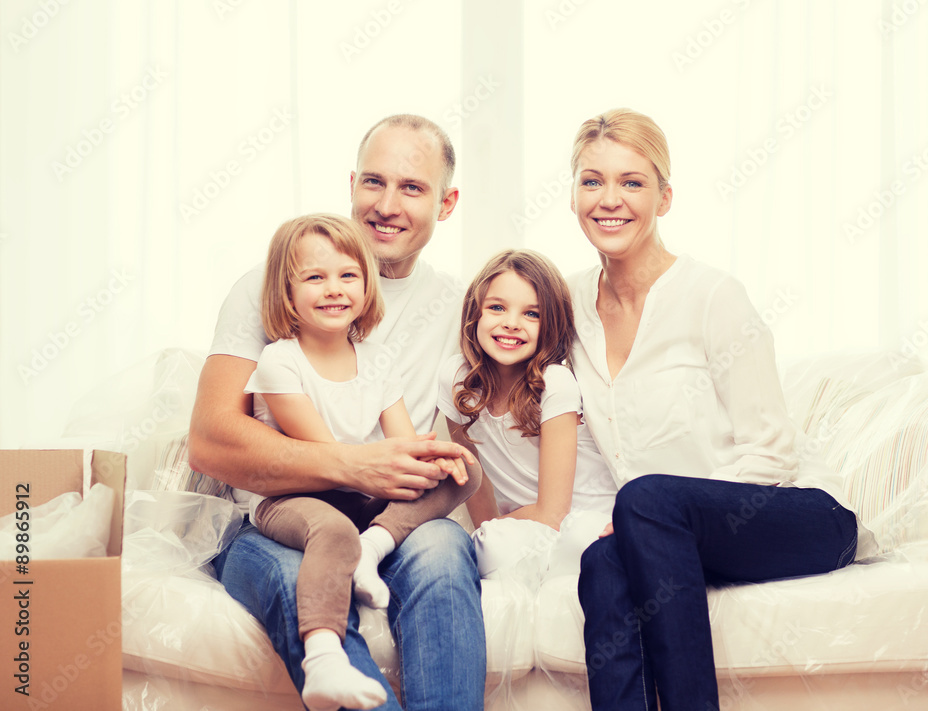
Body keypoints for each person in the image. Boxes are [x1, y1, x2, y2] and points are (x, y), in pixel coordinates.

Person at [567, 108, 874, 710]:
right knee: (603, 562)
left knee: (647, 498)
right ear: (573, 193)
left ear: (666, 196)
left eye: (632, 182)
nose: (610, 199)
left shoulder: (713, 296)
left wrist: (654, 514)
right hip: (666, 528)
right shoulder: (569, 304)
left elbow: (771, 452)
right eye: (591, 180)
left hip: (797, 512)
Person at [189, 115, 487, 711]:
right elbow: (211, 442)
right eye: (374, 182)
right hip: (272, 520)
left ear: (447, 202)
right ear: (352, 184)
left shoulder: (458, 306)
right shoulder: (272, 284)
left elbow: (477, 427)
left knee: (444, 557)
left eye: (412, 187)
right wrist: (355, 466)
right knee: (294, 574)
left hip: (384, 520)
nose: (386, 204)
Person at [236, 213, 479, 710]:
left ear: (368, 287)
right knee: (334, 530)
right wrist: (387, 469)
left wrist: (434, 459)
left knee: (466, 469)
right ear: (287, 291)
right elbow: (327, 458)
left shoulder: (377, 360)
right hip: (296, 498)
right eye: (315, 277)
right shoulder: (280, 360)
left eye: (348, 276)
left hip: (360, 496)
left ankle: (375, 545)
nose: (334, 290)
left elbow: (404, 443)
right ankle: (324, 659)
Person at [438, 249, 617, 584]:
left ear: (550, 324)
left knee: (579, 543)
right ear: (474, 314)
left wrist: (497, 531)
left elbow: (553, 512)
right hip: (523, 526)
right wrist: (489, 531)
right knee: (489, 551)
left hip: (582, 519)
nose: (511, 323)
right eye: (496, 307)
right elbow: (471, 477)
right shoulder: (455, 378)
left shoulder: (555, 383)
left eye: (531, 314)